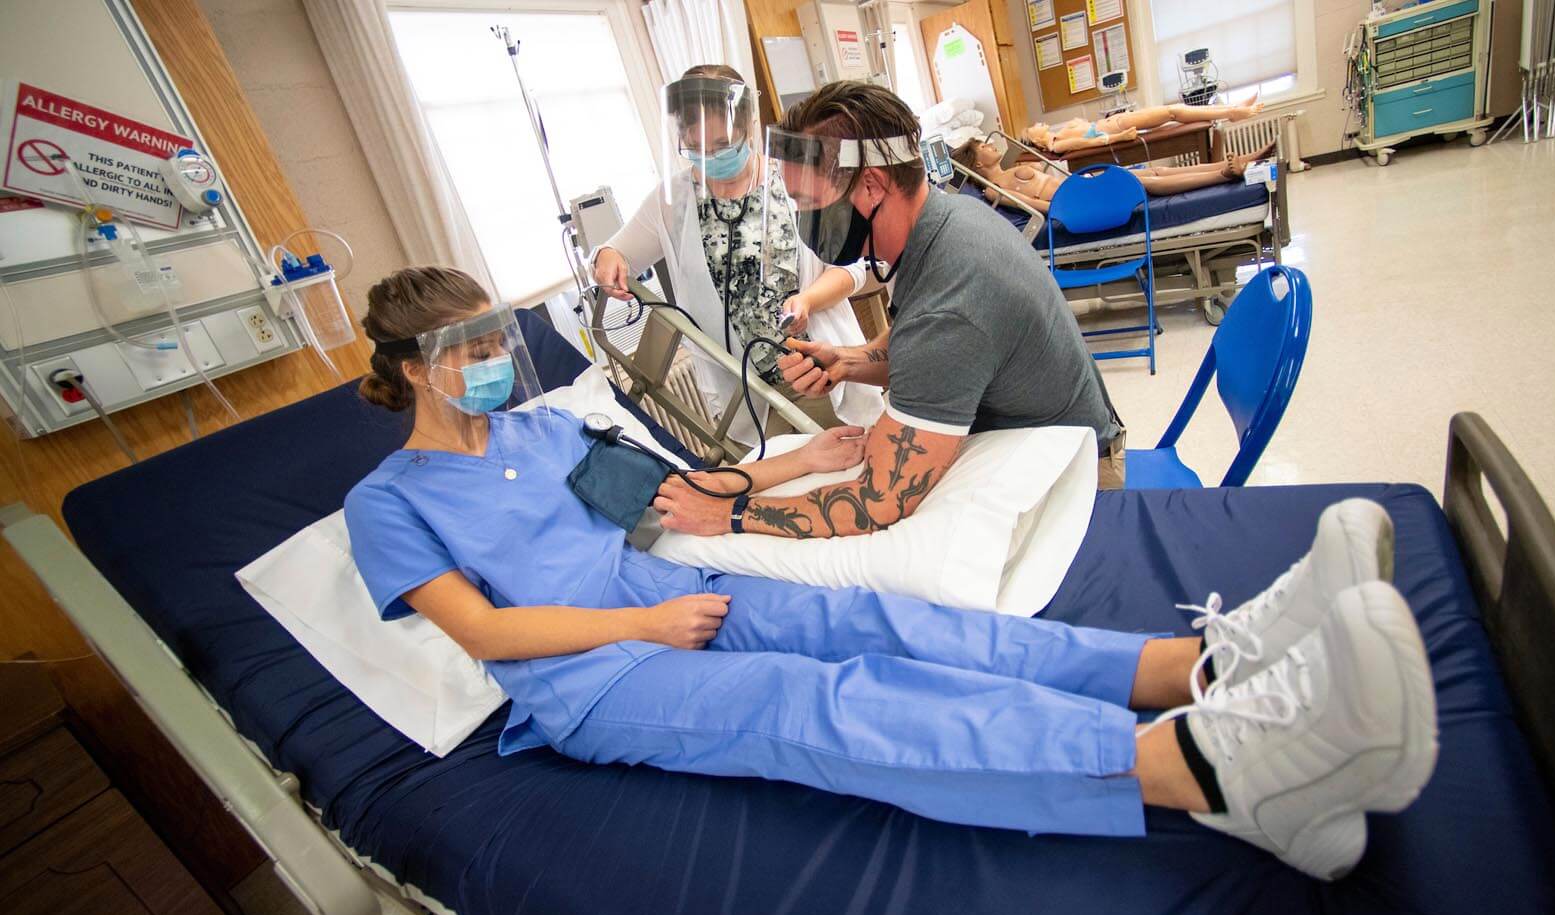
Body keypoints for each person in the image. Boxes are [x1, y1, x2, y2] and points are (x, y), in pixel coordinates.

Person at [344, 266, 1439, 881]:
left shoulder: (542, 436)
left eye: (494, 338)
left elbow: (666, 498)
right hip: (596, 678)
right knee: (821, 701)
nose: (490, 362)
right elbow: (485, 637)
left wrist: (795, 462)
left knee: (895, 626)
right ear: (407, 372)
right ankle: (1203, 771)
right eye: (463, 349)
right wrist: (639, 631)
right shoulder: (387, 503)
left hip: (666, 601)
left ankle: (1198, 666)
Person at [652, 81, 1126, 543]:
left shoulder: (953, 296)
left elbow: (878, 501)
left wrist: (730, 513)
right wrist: (847, 363)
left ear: (872, 185)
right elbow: (916, 343)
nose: (804, 225)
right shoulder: (946, 221)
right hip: (1047, 442)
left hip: (1078, 486)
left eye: (810, 205)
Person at [591, 65, 882, 442]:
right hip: (744, 395)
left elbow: (854, 267)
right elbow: (615, 251)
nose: (710, 160)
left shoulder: (793, 175)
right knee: (780, 490)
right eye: (697, 149)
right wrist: (607, 257)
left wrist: (808, 299)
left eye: (723, 146)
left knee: (856, 471)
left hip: (818, 369)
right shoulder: (673, 200)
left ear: (749, 125)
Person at [952, 137, 1279, 214]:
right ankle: (1225, 174)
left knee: (1153, 170)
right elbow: (1039, 207)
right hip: (1077, 200)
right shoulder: (995, 191)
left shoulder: (1010, 169)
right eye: (982, 145)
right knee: (1146, 182)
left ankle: (1241, 162)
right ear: (976, 163)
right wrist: (1076, 206)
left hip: (1082, 187)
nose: (991, 144)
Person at [1024, 96, 1265, 153]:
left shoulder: (1058, 135)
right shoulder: (1057, 145)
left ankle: (1231, 111)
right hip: (1118, 126)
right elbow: (1093, 141)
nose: (1037, 122)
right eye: (1032, 126)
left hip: (1116, 122)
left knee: (1174, 112)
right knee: (1172, 111)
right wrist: (1122, 138)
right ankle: (1231, 112)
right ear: (1034, 139)